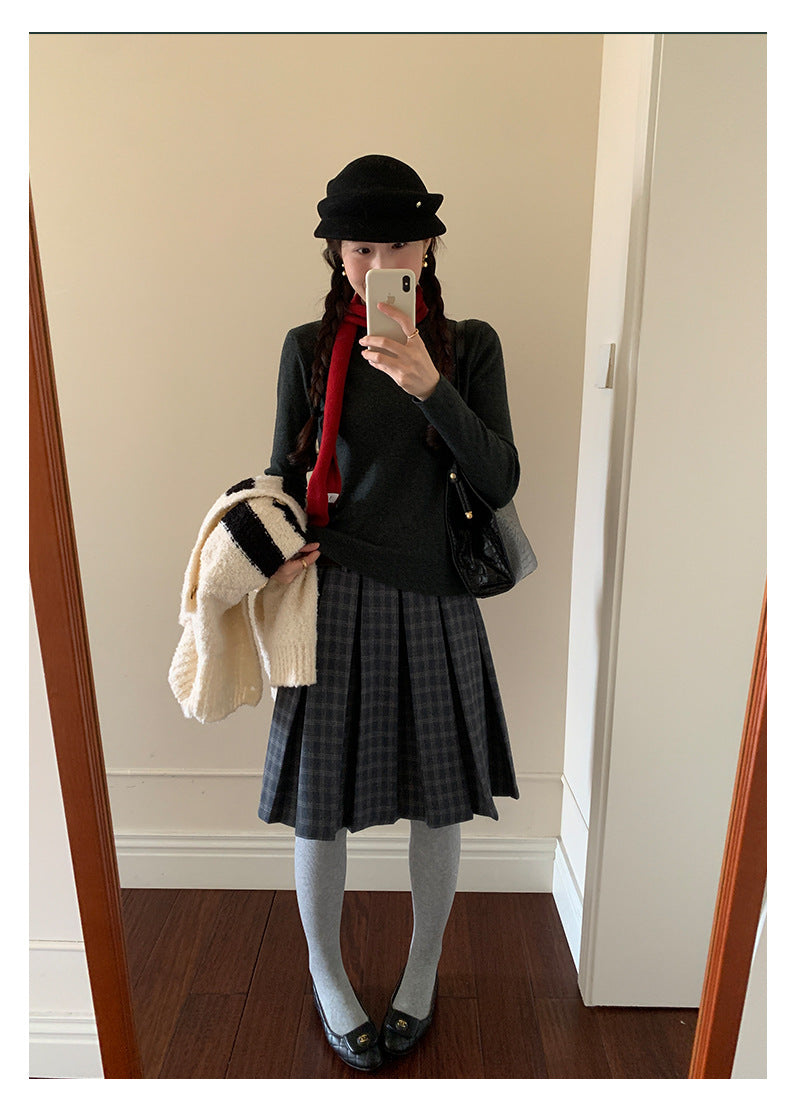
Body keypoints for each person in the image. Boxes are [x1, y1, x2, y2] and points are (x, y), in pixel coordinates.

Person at [258, 154, 520, 1072]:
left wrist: (428, 387)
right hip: (330, 596)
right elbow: (280, 476)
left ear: (428, 249)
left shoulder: (470, 346)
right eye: (360, 248)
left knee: (439, 801)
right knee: (318, 807)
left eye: (397, 245)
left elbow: (498, 478)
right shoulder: (307, 347)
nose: (378, 264)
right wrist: (276, 539)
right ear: (336, 255)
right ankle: (327, 975)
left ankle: (423, 967)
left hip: (436, 595)